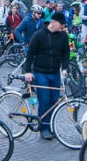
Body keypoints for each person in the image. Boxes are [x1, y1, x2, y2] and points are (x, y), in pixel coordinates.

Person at [23, 12, 70, 140]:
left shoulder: (63, 36)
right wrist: (27, 71)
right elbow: (30, 54)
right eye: (61, 25)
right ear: (54, 22)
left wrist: (65, 68)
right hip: (40, 72)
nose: (63, 28)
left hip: (55, 72)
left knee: (54, 101)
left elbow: (66, 53)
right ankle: (43, 128)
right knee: (44, 100)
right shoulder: (39, 35)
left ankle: (51, 126)